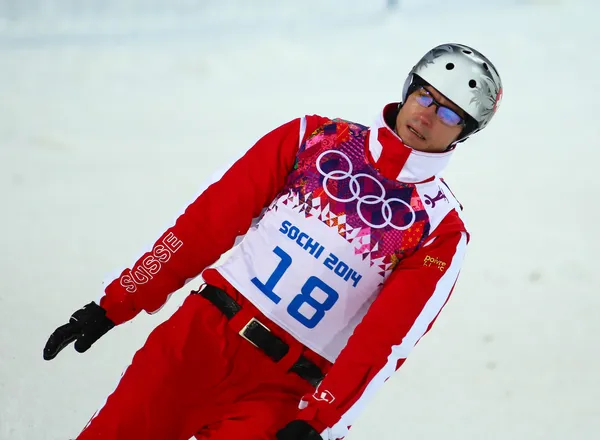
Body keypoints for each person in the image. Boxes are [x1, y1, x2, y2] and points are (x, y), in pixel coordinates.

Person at [43, 43, 503, 440]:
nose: (427, 114)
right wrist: (117, 301)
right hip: (199, 339)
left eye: (448, 112)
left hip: (283, 393)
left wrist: (322, 420)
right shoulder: (315, 138)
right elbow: (204, 225)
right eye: (425, 94)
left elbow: (383, 342)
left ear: (463, 132)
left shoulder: (439, 230)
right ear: (408, 91)